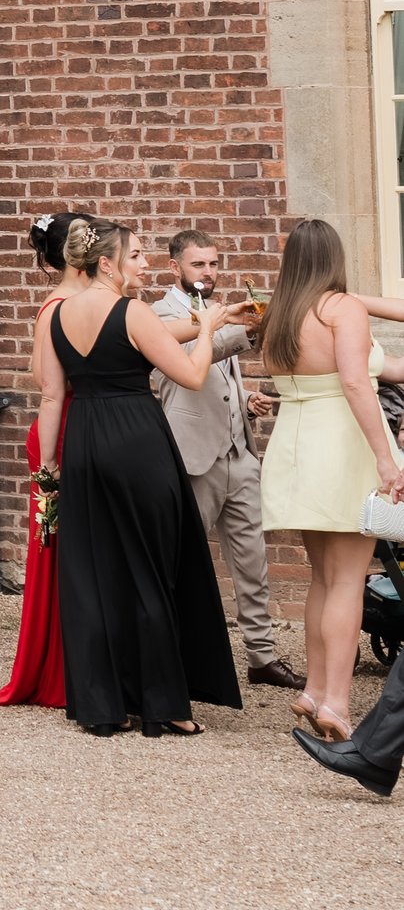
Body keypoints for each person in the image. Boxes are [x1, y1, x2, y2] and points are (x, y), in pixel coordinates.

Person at [37, 217, 242, 740]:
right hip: (136, 440)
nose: (144, 264)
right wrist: (210, 327)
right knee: (152, 569)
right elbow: (193, 375)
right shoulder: (131, 311)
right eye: (136, 256)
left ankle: (105, 705)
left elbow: (51, 397)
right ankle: (164, 705)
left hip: (83, 441)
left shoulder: (54, 314)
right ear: (106, 263)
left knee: (97, 573)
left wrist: (48, 468)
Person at [257, 218, 404, 743]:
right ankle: (337, 705)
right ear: (335, 258)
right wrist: (387, 458)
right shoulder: (341, 310)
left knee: (323, 577)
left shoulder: (281, 312)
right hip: (339, 446)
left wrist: (342, 294)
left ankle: (315, 690)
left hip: (295, 448)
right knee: (348, 580)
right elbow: (353, 382)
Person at [152, 226, 303, 694]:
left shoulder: (221, 309)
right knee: (185, 563)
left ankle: (261, 657)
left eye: (214, 264)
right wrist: (239, 330)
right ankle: (175, 658)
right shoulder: (156, 315)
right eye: (199, 264)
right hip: (193, 455)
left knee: (253, 562)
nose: (209, 273)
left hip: (239, 454)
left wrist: (246, 397)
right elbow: (184, 366)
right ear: (174, 266)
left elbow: (219, 381)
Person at [0, 203, 87, 711]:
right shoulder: (57, 307)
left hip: (76, 431)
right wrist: (47, 466)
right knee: (55, 550)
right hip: (57, 439)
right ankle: (51, 670)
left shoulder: (87, 301)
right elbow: (47, 388)